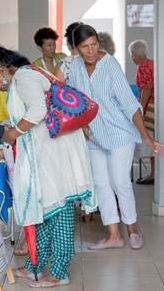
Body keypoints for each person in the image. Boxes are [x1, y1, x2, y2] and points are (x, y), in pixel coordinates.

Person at [0, 47, 96, 287]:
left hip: (55, 155)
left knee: (59, 210)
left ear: (1, 71)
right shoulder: (25, 77)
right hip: (45, 154)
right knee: (42, 210)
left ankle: (59, 272)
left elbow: (38, 111)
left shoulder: (24, 77)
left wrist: (12, 133)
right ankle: (35, 263)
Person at [67, 24, 162, 250]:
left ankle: (132, 230)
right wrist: (80, 125)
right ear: (76, 49)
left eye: (94, 45)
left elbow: (130, 104)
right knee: (101, 184)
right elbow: (73, 99)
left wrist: (147, 138)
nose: (91, 51)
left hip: (119, 134)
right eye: (85, 47)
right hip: (94, 136)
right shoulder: (75, 67)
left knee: (120, 181)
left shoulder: (110, 66)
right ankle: (113, 235)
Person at [129, 39, 156, 184]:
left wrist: (141, 110)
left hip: (151, 105)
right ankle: (154, 172)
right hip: (157, 104)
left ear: (134, 54)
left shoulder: (143, 66)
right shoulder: (152, 63)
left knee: (150, 138)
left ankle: (153, 174)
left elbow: (146, 89)